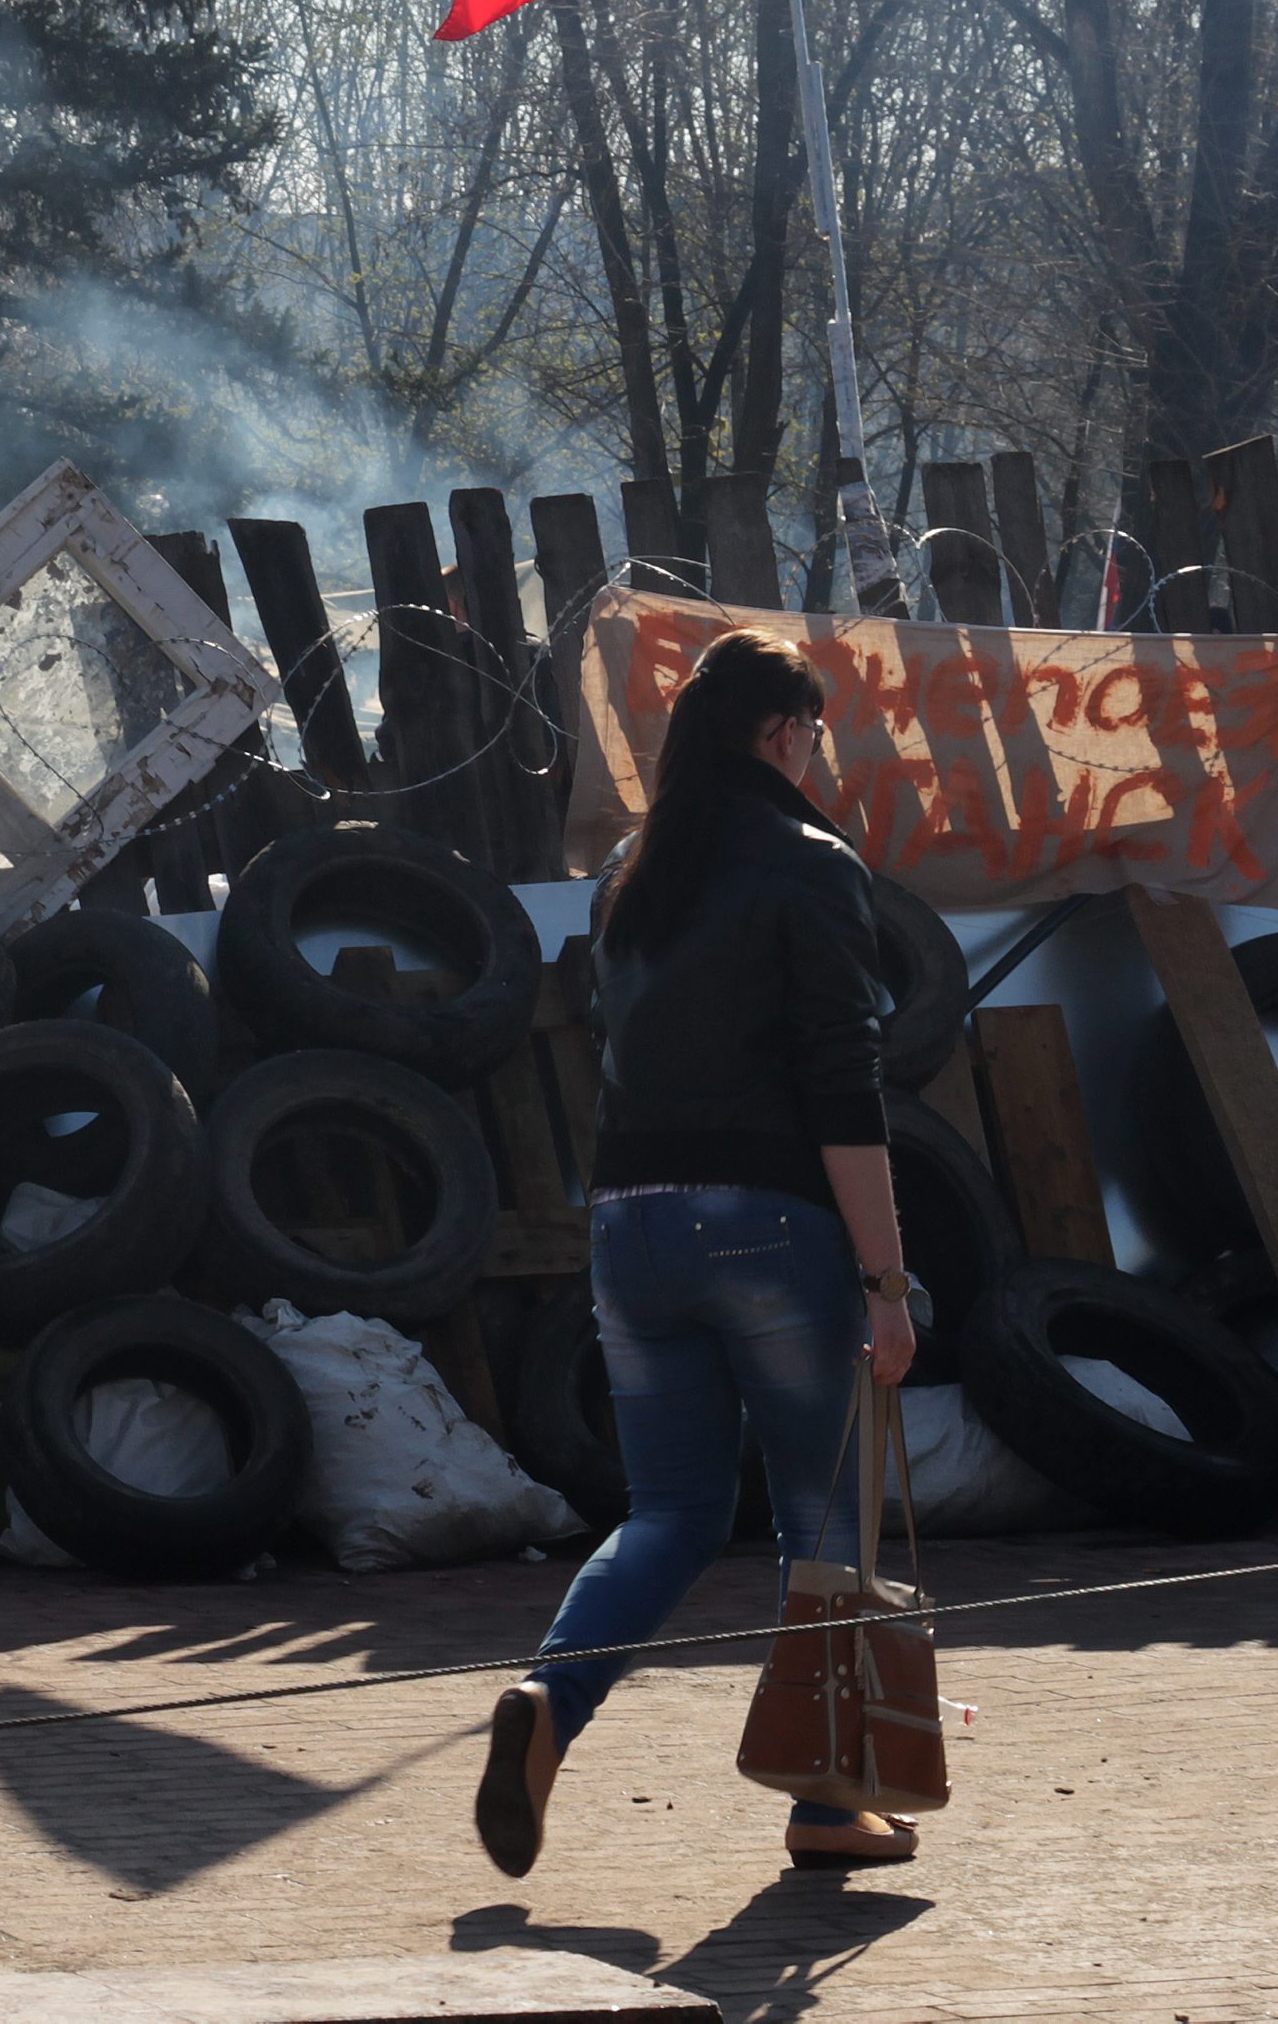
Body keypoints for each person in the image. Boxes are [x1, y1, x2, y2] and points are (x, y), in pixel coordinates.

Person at [476, 627, 925, 1880]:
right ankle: (830, 1799)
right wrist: (886, 1281)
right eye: (814, 734)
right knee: (823, 1516)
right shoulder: (809, 862)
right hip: (768, 1224)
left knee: (670, 1510)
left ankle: (545, 1710)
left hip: (627, 1221)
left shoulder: (635, 867)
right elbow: (844, 1084)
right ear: (783, 733)